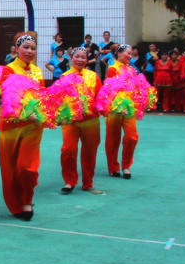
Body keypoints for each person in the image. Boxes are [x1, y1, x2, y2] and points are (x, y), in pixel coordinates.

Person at [0, 33, 45, 220]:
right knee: (10, 170)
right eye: (26, 47)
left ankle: (26, 200)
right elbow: (9, 97)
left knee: (28, 168)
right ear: (17, 49)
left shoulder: (38, 71)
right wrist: (25, 111)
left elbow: (42, 96)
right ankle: (15, 204)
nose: (30, 51)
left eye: (33, 48)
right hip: (12, 126)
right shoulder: (8, 70)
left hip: (33, 125)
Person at [58, 46, 103, 194]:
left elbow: (101, 96)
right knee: (68, 150)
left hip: (91, 120)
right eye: (77, 56)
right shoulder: (64, 76)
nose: (80, 59)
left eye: (83, 57)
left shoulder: (93, 76)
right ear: (71, 58)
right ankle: (70, 181)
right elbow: (59, 98)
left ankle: (88, 183)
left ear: (87, 60)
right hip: (71, 121)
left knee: (90, 151)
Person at [104, 44, 140, 179]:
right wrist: (117, 107)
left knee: (132, 137)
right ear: (119, 54)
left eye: (131, 54)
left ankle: (126, 165)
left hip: (130, 108)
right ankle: (113, 167)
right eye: (128, 53)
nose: (130, 56)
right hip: (115, 109)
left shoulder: (132, 70)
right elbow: (109, 89)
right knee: (113, 139)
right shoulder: (112, 69)